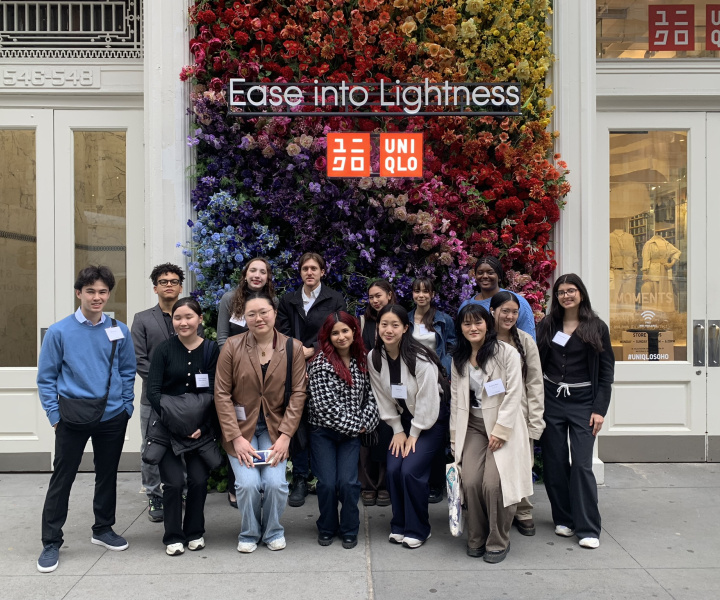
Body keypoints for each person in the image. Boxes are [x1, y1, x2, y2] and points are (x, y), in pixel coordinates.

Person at [36, 266, 136, 573]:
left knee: (106, 474)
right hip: (71, 417)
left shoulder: (118, 329)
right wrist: (54, 416)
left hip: (112, 416)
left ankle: (103, 528)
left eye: (103, 291)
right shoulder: (59, 331)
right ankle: (51, 541)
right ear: (79, 293)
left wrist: (126, 407)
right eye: (90, 291)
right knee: (62, 477)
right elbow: (46, 378)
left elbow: (127, 370)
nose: (97, 297)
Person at [214, 292, 307, 553]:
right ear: (244, 318)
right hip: (241, 429)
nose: (258, 318)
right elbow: (221, 393)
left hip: (276, 427)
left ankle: (273, 530)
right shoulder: (232, 346)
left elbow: (299, 394)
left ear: (274, 313)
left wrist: (286, 435)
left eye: (263, 312)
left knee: (276, 483)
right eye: (251, 314)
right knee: (247, 484)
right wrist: (235, 437)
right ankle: (250, 531)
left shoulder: (294, 348)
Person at [536, 274, 615, 550]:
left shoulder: (596, 327)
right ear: (555, 297)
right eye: (560, 292)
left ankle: (588, 527)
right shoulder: (548, 325)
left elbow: (606, 374)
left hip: (584, 403)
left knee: (582, 464)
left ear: (581, 293)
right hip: (552, 401)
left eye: (571, 291)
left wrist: (599, 410)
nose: (566, 295)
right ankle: (564, 518)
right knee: (555, 462)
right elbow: (537, 365)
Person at [450, 304, 532, 563]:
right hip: (473, 425)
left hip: (501, 425)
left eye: (478, 322)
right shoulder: (459, 358)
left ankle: (498, 540)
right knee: (472, 481)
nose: (473, 328)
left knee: (495, 484)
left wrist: (502, 430)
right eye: (466, 324)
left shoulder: (506, 353)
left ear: (488, 324)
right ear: (461, 328)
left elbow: (514, 393)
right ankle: (476, 536)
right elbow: (455, 401)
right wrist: (455, 441)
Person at [368, 305, 448, 549]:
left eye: (395, 325)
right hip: (402, 421)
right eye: (384, 324)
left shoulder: (420, 358)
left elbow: (429, 400)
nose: (388, 330)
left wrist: (414, 433)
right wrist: (398, 429)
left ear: (405, 328)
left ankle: (419, 528)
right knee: (393, 470)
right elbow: (381, 395)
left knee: (410, 470)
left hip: (430, 420)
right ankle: (400, 524)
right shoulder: (374, 357)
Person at [146, 298, 220, 556]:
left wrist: (204, 424)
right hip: (168, 430)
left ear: (200, 319)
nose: (183, 322)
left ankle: (195, 532)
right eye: (178, 318)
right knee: (174, 483)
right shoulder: (164, 350)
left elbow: (216, 391)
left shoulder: (212, 351)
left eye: (189, 316)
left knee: (199, 480)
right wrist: (175, 423)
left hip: (201, 430)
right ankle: (173, 535)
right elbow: (153, 392)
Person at [277, 252, 347, 507]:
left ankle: (322, 477)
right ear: (300, 272)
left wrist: (315, 350)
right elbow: (281, 332)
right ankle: (299, 478)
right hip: (294, 366)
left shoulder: (334, 299)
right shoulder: (289, 300)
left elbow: (339, 331)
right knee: (298, 423)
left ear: (322, 272)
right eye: (305, 268)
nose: (309, 272)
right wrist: (299, 352)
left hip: (326, 365)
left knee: (322, 420)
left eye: (314, 268)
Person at [307, 312, 379, 549]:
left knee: (348, 483)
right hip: (324, 432)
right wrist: (358, 426)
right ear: (327, 336)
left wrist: (365, 423)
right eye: (335, 332)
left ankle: (349, 528)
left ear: (354, 331)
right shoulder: (320, 363)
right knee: (327, 483)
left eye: (345, 331)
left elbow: (373, 397)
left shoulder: (364, 359)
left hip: (352, 433)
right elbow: (326, 408)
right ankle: (327, 526)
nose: (341, 336)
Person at [131, 262, 191, 523]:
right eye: (164, 281)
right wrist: (162, 384)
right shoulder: (142, 319)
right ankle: (154, 494)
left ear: (180, 287)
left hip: (185, 398)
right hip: (152, 398)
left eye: (174, 281)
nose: (169, 285)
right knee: (152, 446)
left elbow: (195, 351)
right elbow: (138, 359)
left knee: (185, 444)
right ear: (155, 287)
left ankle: (183, 490)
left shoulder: (190, 316)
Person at [215, 257, 276, 508]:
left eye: (263, 271)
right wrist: (234, 363)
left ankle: (263, 484)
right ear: (245, 273)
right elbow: (221, 337)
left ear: (267, 276)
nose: (257, 275)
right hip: (236, 371)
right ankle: (236, 485)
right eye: (253, 270)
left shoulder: (274, 301)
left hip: (264, 371)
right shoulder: (230, 299)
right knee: (239, 428)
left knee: (262, 426)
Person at [489, 291, 545, 536]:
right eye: (505, 311)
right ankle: (496, 507)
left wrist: (535, 420)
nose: (510, 316)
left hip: (519, 413)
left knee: (522, 461)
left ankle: (523, 509)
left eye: (514, 312)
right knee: (492, 464)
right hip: (488, 411)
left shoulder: (525, 341)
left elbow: (535, 383)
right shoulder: (482, 338)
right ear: (493, 311)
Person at [408, 276, 456, 504]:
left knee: (436, 432)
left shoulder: (443, 320)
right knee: (415, 429)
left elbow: (454, 346)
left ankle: (436, 483)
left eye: (426, 291)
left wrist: (442, 368)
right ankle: (418, 478)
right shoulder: (406, 319)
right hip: (411, 381)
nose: (421, 295)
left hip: (437, 380)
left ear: (433, 294)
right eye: (417, 291)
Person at [358, 279, 397, 507]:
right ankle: (368, 485)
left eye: (379, 295)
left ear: (389, 295)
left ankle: (384, 485)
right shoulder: (364, 322)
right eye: (371, 296)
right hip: (366, 384)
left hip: (392, 385)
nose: (375, 300)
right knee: (366, 435)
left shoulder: (398, 318)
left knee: (387, 433)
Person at [459, 256, 536, 339]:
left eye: (490, 272)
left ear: (499, 277)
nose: (485, 276)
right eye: (480, 272)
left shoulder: (517, 301)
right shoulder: (466, 305)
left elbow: (529, 340)